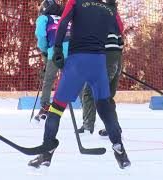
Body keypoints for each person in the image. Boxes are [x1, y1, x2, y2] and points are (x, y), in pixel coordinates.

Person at [28, 0, 131, 169]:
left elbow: (63, 24)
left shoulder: (75, 2)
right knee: (105, 107)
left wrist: (59, 49)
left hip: (77, 63)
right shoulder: (108, 7)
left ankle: (47, 153)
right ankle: (120, 152)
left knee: (56, 108)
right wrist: (113, 7)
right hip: (98, 63)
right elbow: (119, 29)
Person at [77, 0, 124, 136]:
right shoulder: (113, 13)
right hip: (116, 55)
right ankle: (114, 128)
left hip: (104, 55)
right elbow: (120, 37)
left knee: (89, 92)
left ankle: (87, 126)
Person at [34, 0, 70, 121]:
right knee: (71, 79)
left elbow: (41, 35)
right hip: (72, 50)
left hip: (55, 51)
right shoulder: (64, 18)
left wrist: (44, 49)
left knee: (48, 79)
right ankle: (85, 108)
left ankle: (45, 107)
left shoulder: (43, 18)